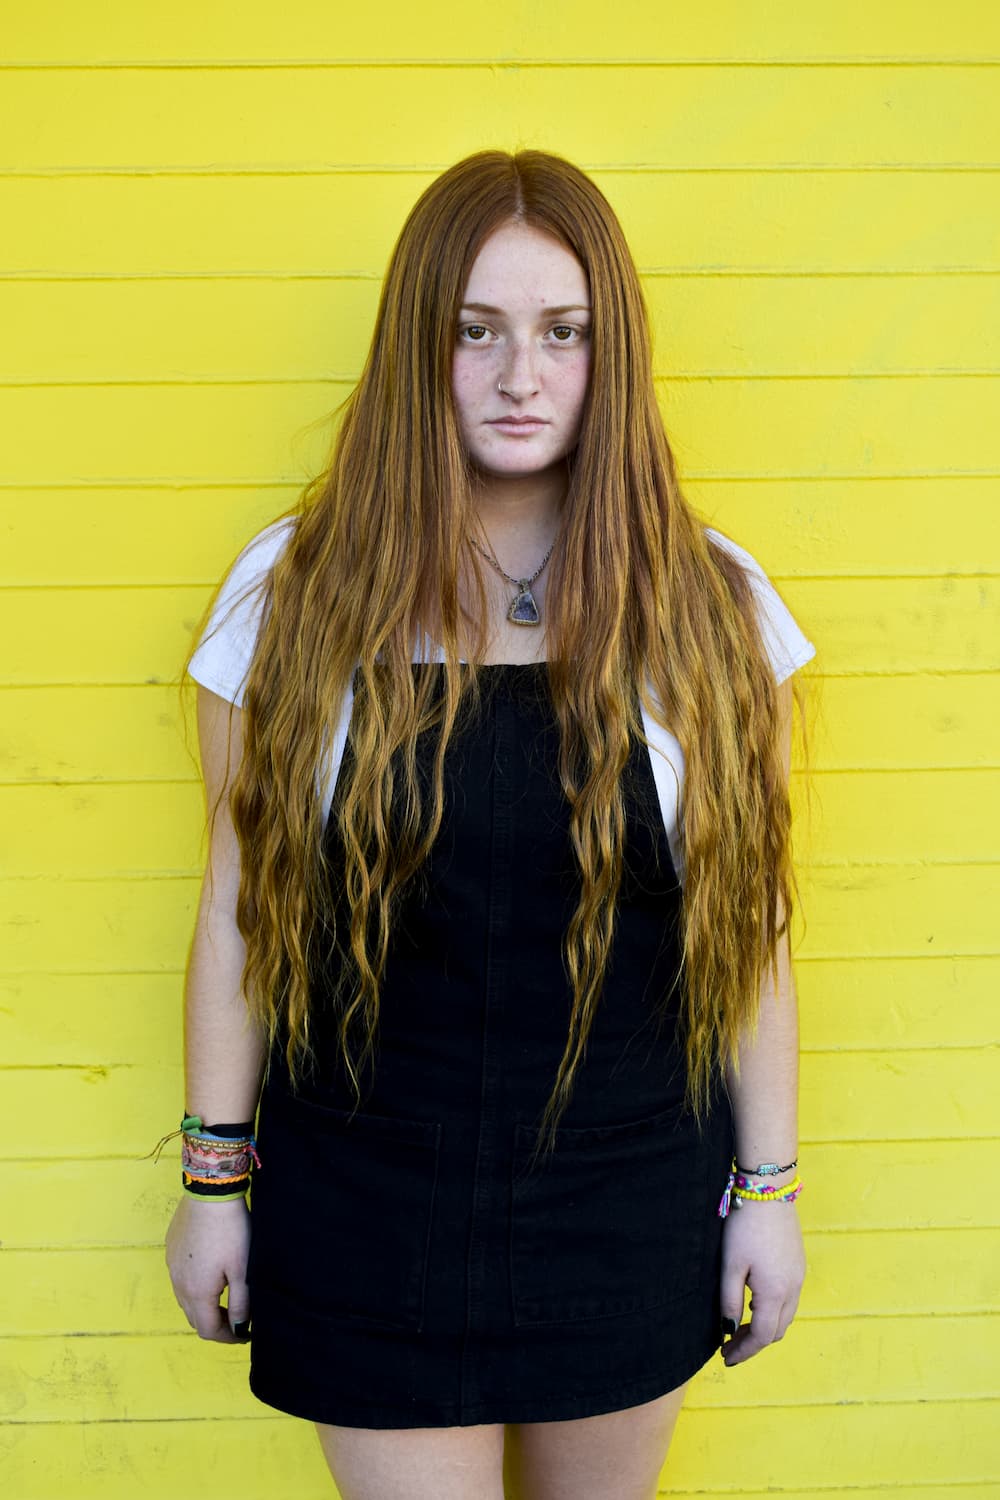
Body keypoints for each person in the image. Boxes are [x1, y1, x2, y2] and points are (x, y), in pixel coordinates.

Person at [164, 148, 811, 1500]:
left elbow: (749, 927)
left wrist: (768, 1195)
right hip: (364, 1200)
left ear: (612, 353)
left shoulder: (709, 606)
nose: (523, 375)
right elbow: (238, 908)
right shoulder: (292, 597)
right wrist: (213, 1184)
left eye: (564, 333)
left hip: (624, 1200)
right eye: (477, 332)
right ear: (420, 346)